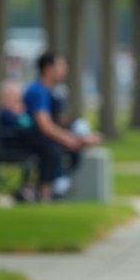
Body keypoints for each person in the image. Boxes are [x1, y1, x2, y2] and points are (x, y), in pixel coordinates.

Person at [23, 51, 100, 200]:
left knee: (70, 144)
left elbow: (60, 122)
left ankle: (59, 185)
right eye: (60, 65)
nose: (65, 68)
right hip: (31, 139)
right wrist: (70, 139)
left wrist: (80, 137)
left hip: (43, 138)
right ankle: (47, 190)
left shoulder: (51, 91)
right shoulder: (37, 90)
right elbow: (45, 126)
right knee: (52, 148)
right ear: (48, 69)